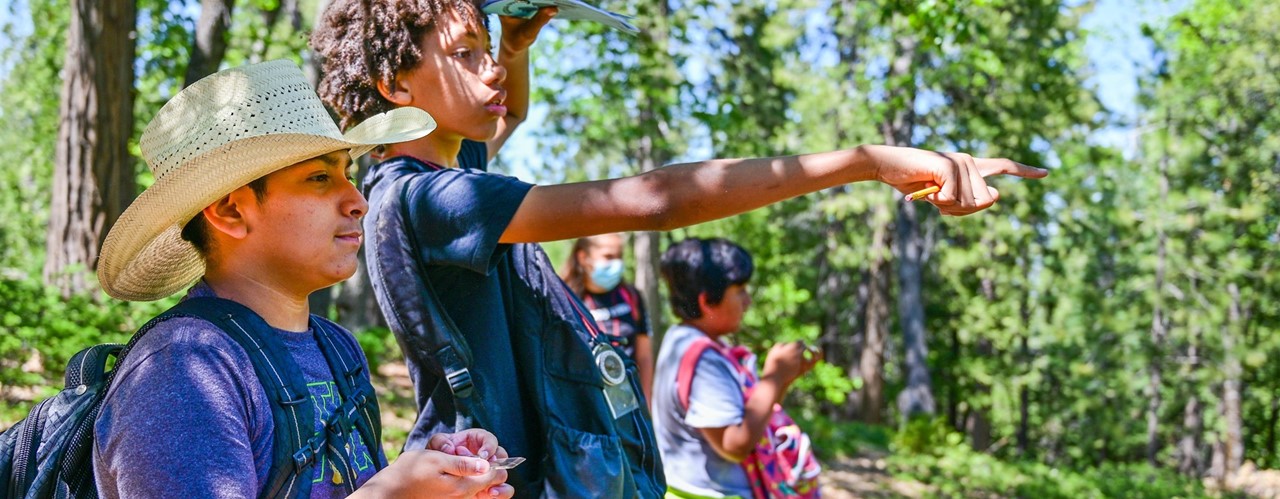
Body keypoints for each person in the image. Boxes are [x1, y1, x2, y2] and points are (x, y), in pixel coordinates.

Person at [310, 0, 1048, 496]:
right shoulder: (430, 196)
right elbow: (660, 200)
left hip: (496, 466)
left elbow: (505, 116)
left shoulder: (439, 173)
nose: (491, 70)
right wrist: (866, 161)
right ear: (393, 84)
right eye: (465, 54)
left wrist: (514, 46)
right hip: (484, 475)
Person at [92, 60, 514, 499]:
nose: (357, 201)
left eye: (347, 175)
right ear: (231, 211)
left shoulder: (335, 347)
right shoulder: (184, 370)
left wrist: (434, 484)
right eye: (319, 177)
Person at [652, 238, 818, 498]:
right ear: (707, 301)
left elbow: (748, 417)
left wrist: (783, 379)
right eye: (739, 290)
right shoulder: (703, 358)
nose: (748, 300)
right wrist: (773, 379)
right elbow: (734, 443)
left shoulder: (682, 338)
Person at [561, 234, 655, 402]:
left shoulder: (631, 296)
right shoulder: (565, 300)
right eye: (608, 257)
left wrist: (646, 400)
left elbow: (644, 356)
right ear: (583, 257)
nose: (616, 264)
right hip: (588, 402)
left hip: (629, 397)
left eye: (619, 256)